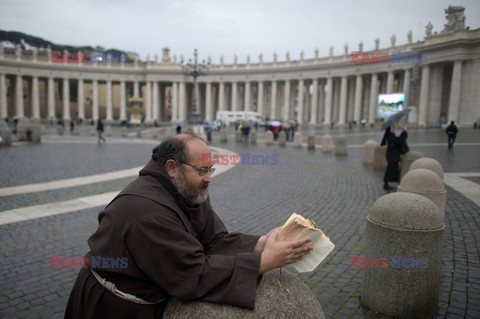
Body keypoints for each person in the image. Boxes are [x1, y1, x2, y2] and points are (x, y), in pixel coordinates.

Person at [65, 134, 312, 319]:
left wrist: (261, 243)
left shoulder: (187, 189)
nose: (209, 178)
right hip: (113, 308)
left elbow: (215, 241)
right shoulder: (146, 212)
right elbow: (193, 274)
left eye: (211, 169)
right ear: (172, 167)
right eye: (203, 170)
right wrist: (265, 261)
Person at [381, 125, 408, 191]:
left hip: (393, 155)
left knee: (395, 170)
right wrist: (404, 132)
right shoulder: (390, 136)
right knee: (390, 170)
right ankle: (386, 184)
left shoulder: (390, 135)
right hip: (393, 156)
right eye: (393, 128)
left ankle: (396, 182)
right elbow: (399, 140)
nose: (394, 129)